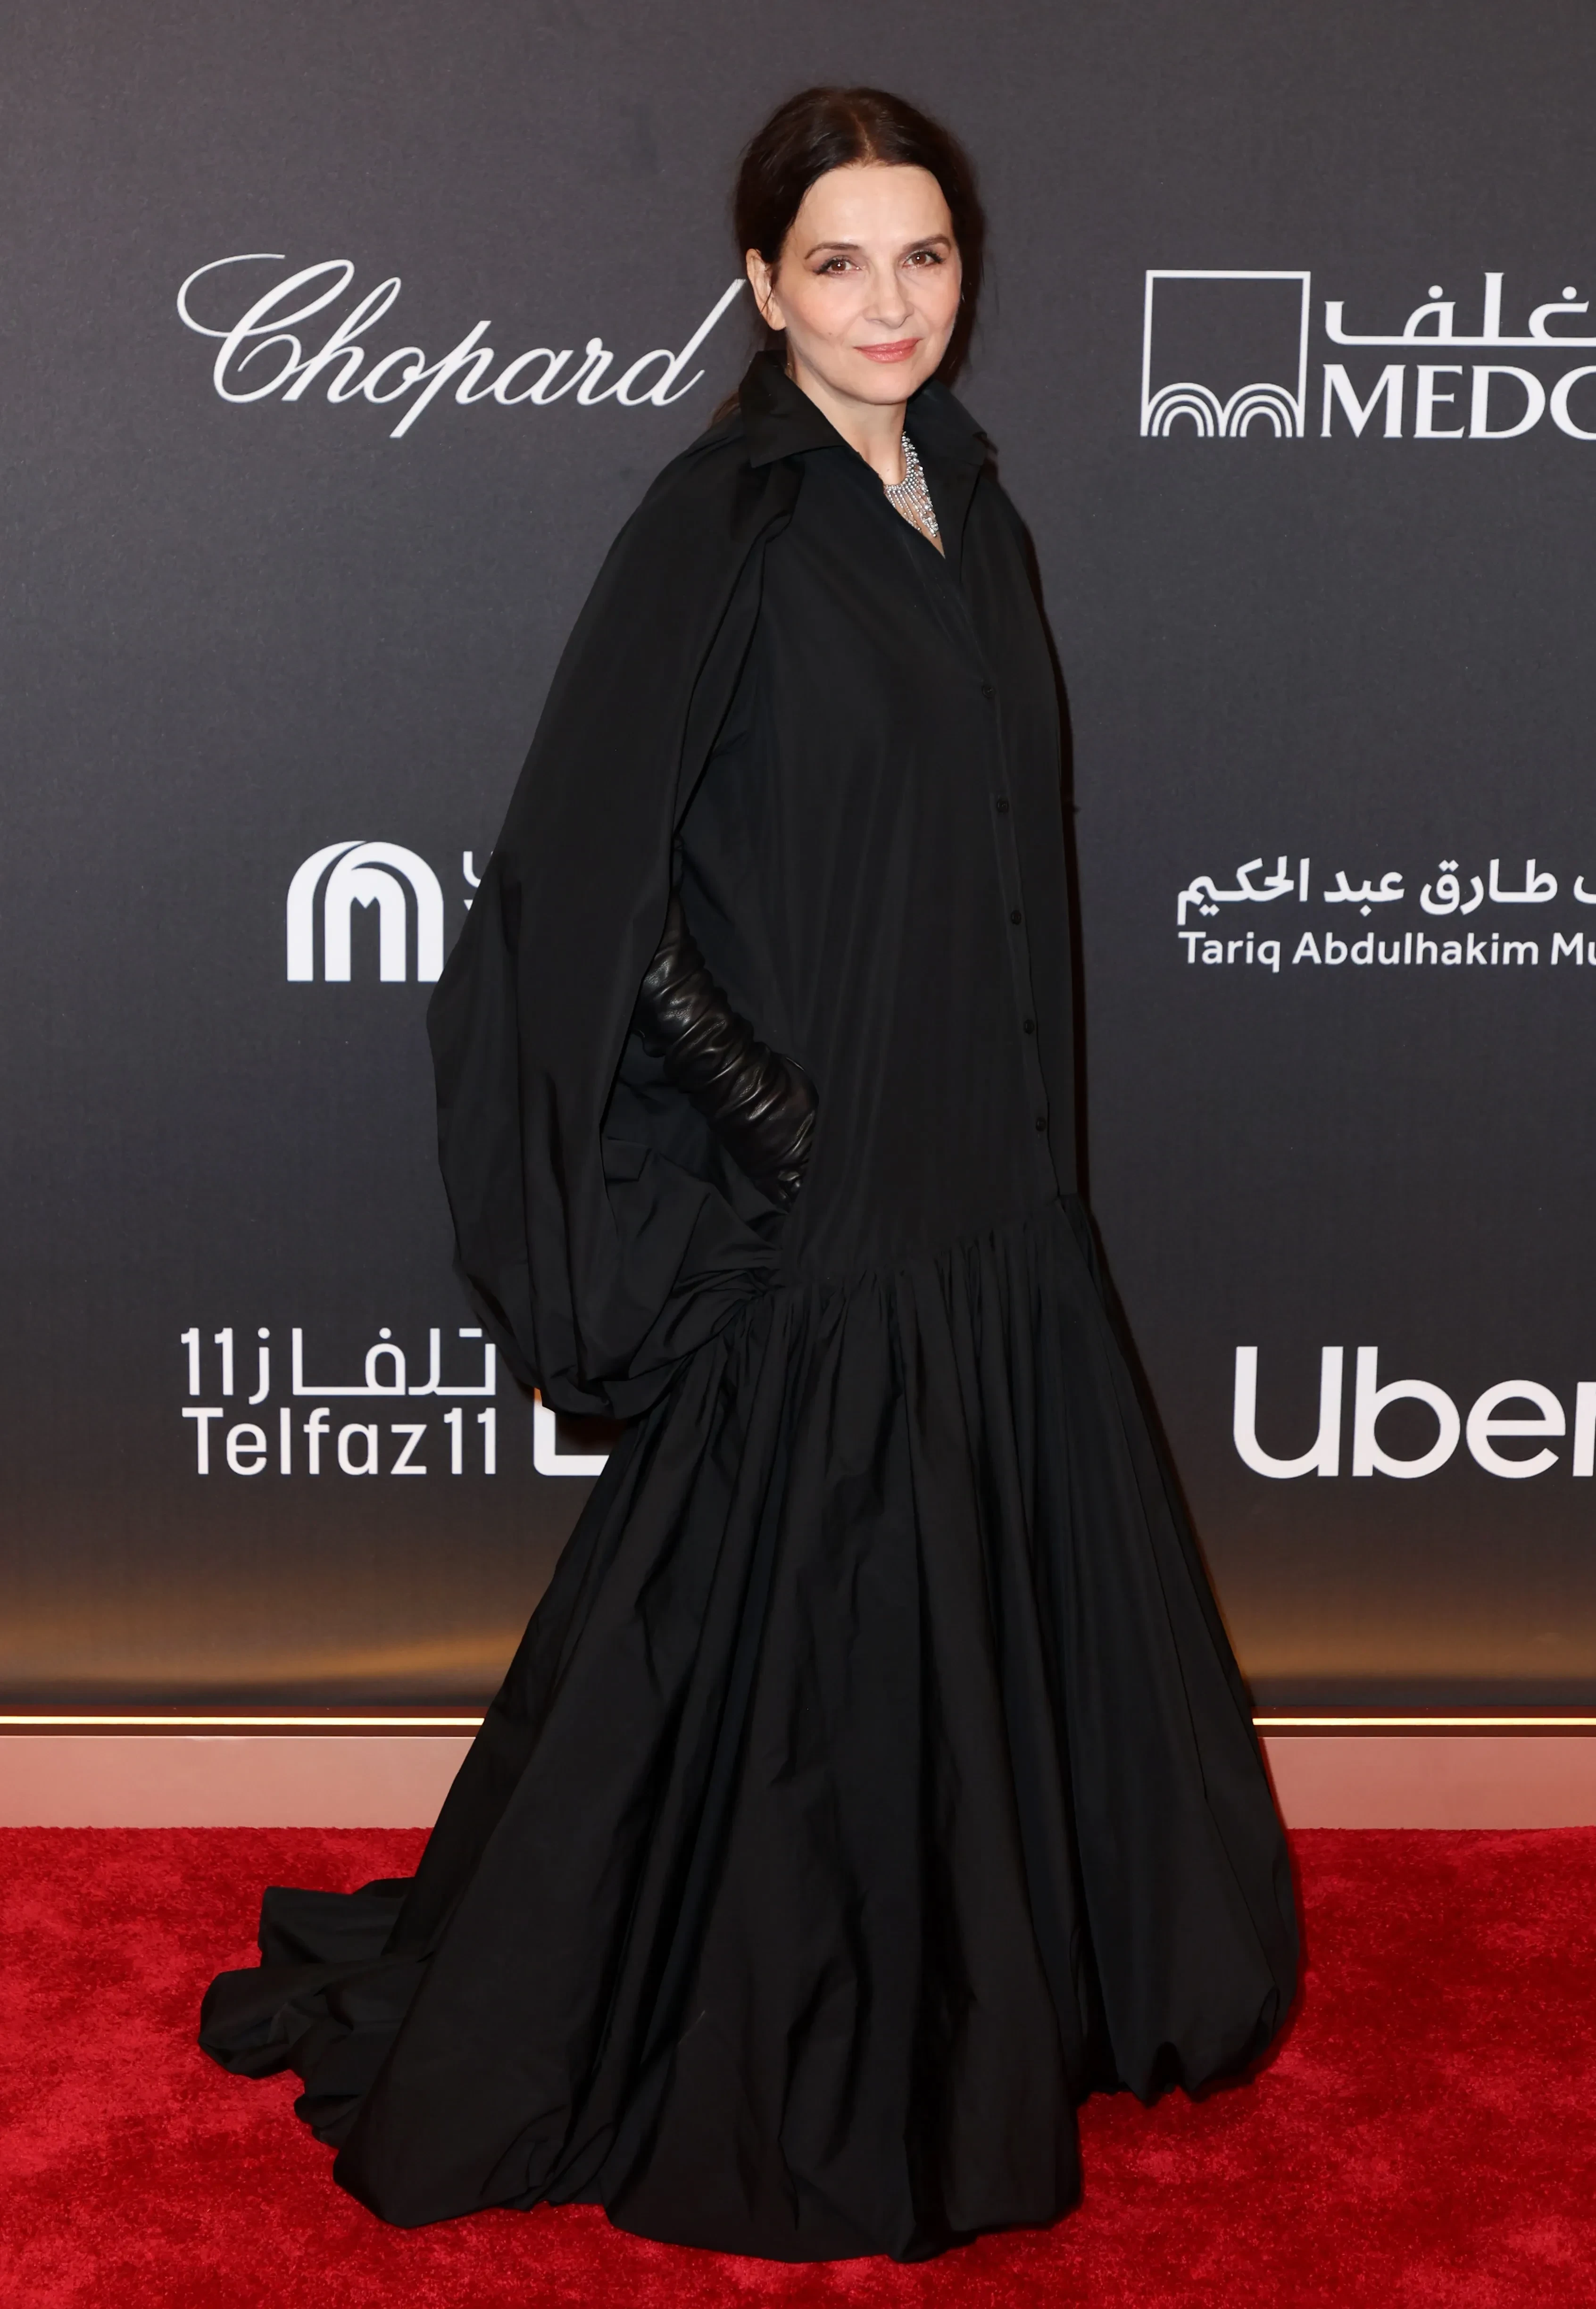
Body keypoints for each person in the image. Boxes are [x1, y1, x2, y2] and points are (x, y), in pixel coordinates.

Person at [201, 85, 1298, 2263]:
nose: (889, 304)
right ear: (758, 285)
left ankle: (1008, 1992)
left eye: (924, 257)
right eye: (838, 263)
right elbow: (582, 884)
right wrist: (774, 1119)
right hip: (839, 1196)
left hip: (991, 1188)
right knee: (794, 1656)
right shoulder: (720, 524)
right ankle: (805, 2046)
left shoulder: (968, 506)